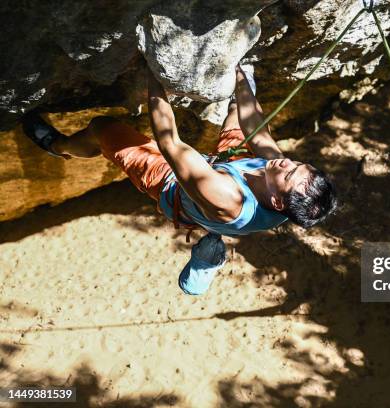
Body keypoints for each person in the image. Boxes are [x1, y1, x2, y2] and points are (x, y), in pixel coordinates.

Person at [22, 64, 338, 294]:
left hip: (175, 186)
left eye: (289, 172)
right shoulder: (279, 177)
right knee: (235, 115)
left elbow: (169, 142)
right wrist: (241, 75)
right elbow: (255, 124)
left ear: (278, 201)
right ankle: (213, 242)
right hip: (233, 171)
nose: (286, 162)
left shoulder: (225, 197)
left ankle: (58, 147)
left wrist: (155, 76)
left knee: (102, 128)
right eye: (298, 164)